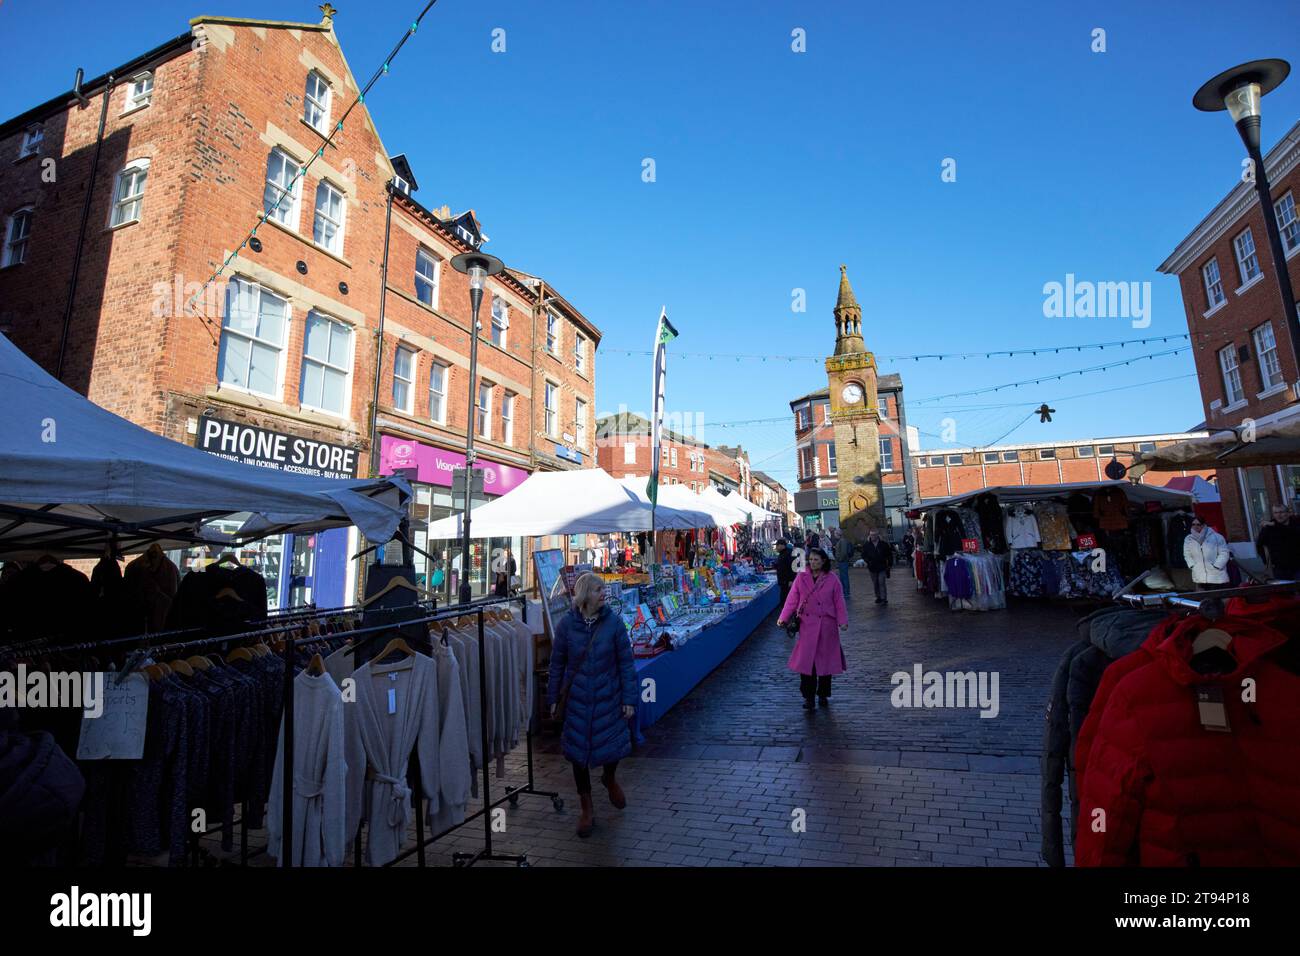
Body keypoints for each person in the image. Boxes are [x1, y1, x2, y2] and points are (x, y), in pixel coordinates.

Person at [547, 572, 637, 838]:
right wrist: (553, 698)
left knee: (613, 746)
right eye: (599, 589)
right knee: (577, 754)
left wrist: (629, 699)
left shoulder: (614, 624)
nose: (604, 594)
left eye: (604, 590)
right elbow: (557, 664)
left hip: (608, 697)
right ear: (586, 594)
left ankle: (609, 778)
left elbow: (626, 664)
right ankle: (586, 807)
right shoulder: (566, 626)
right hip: (577, 700)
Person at [777, 547, 848, 710]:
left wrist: (842, 621)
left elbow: (839, 601)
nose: (813, 563)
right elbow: (792, 599)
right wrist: (783, 617)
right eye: (811, 560)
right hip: (807, 626)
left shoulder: (832, 579)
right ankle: (808, 697)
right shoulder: (801, 577)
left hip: (826, 626)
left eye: (816, 560)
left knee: (825, 663)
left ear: (823, 561)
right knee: (806, 663)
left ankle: (823, 693)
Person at [1183, 517, 1231, 590]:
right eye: (1193, 524)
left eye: (1198, 524)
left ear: (1203, 525)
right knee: (1204, 598)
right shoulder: (1188, 539)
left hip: (1216, 574)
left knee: (1218, 597)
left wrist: (1217, 565)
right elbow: (1187, 554)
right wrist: (1192, 565)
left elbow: (1224, 553)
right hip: (1199, 573)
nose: (1195, 526)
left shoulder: (1217, 537)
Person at [1256, 504, 1300, 581]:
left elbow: (1292, 533)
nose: (1278, 515)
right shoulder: (1268, 528)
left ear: (1288, 513)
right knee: (1284, 590)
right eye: (1275, 513)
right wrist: (1266, 561)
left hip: (1297, 565)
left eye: (1281, 512)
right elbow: (1259, 545)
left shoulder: (1296, 524)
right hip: (1280, 568)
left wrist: (1275, 525)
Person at [861, 529, 894, 604]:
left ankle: (883, 598)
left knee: (881, 582)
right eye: (871, 535)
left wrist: (889, 565)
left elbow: (889, 555)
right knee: (875, 583)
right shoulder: (867, 545)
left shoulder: (884, 544)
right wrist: (868, 561)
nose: (872, 536)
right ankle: (878, 597)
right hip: (872, 567)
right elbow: (863, 555)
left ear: (877, 535)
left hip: (882, 566)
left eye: (874, 535)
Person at [774, 539, 797, 619]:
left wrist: (791, 579)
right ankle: (786, 615)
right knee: (784, 598)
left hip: (787, 581)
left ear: (781, 545)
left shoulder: (789, 553)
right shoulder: (783, 553)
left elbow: (793, 568)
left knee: (786, 598)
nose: (776, 548)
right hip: (783, 581)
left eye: (777, 546)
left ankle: (788, 616)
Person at [833, 529, 856, 599]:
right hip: (842, 561)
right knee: (843, 577)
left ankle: (846, 592)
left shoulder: (842, 541)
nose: (834, 535)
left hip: (842, 561)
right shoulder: (841, 541)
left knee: (844, 577)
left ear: (838, 534)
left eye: (835, 534)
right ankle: (844, 591)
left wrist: (839, 559)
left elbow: (843, 553)